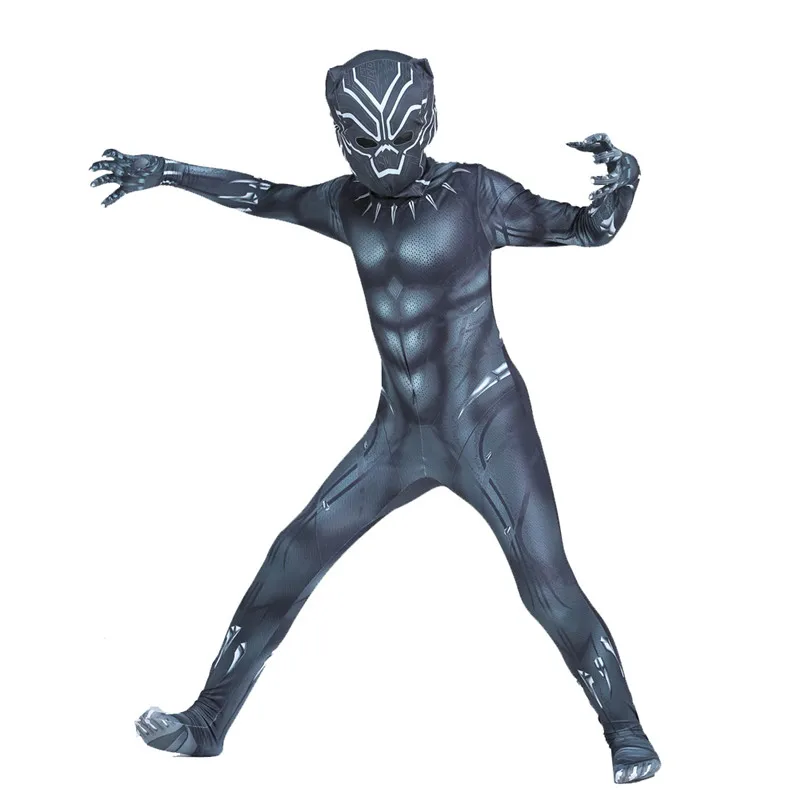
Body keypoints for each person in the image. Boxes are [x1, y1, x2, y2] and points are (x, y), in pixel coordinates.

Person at [90, 49, 659, 784]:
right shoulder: (345, 205)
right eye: (364, 143)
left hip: (486, 422)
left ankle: (627, 734)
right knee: (294, 552)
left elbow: (590, 230)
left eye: (402, 137)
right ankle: (207, 723)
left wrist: (625, 177)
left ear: (430, 121)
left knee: (545, 581)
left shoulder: (473, 195)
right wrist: (167, 171)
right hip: (400, 431)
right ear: (338, 132)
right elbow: (262, 194)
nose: (386, 160)